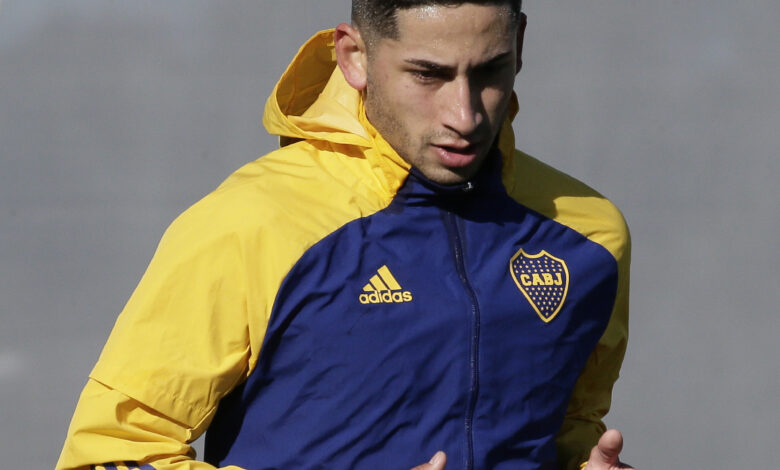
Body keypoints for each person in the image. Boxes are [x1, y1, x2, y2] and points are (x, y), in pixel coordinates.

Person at [56, 1, 634, 469]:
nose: (464, 115)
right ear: (354, 57)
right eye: (427, 74)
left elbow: (566, 429)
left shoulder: (587, 233)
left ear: (520, 46)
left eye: (488, 71)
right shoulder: (252, 223)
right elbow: (111, 455)